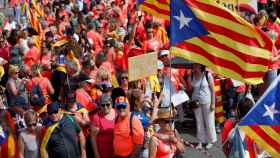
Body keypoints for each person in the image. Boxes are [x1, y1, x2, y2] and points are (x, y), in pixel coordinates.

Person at [186, 63, 217, 149]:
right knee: (199, 122)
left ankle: (211, 140)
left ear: (200, 65)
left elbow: (212, 90)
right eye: (193, 65)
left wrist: (213, 103)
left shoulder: (207, 74)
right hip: (196, 102)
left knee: (209, 122)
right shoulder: (192, 75)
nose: (193, 66)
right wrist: (188, 78)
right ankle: (200, 141)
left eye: (195, 64)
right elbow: (190, 89)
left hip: (207, 101)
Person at [90, 93, 116, 158]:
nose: (105, 107)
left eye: (107, 104)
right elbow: (93, 138)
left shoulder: (117, 113)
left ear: (112, 104)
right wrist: (96, 155)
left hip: (117, 151)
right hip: (103, 153)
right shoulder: (96, 117)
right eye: (103, 105)